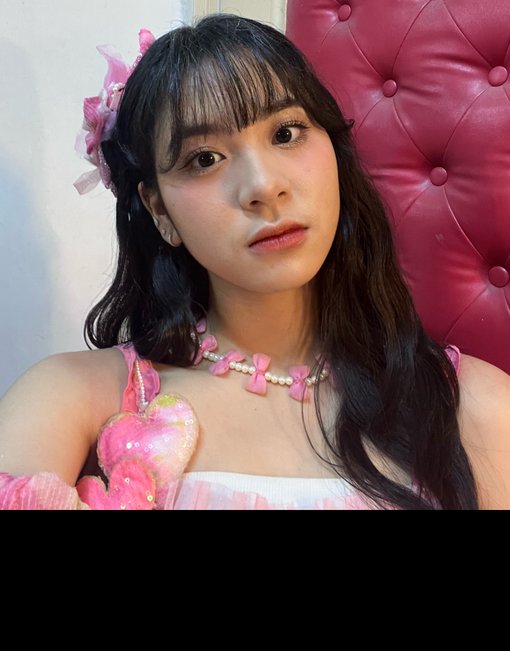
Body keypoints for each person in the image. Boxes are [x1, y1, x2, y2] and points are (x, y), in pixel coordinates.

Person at [1, 14, 509, 510]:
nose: (264, 186)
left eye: (286, 133)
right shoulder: (74, 399)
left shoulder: (474, 407)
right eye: (204, 159)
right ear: (160, 212)